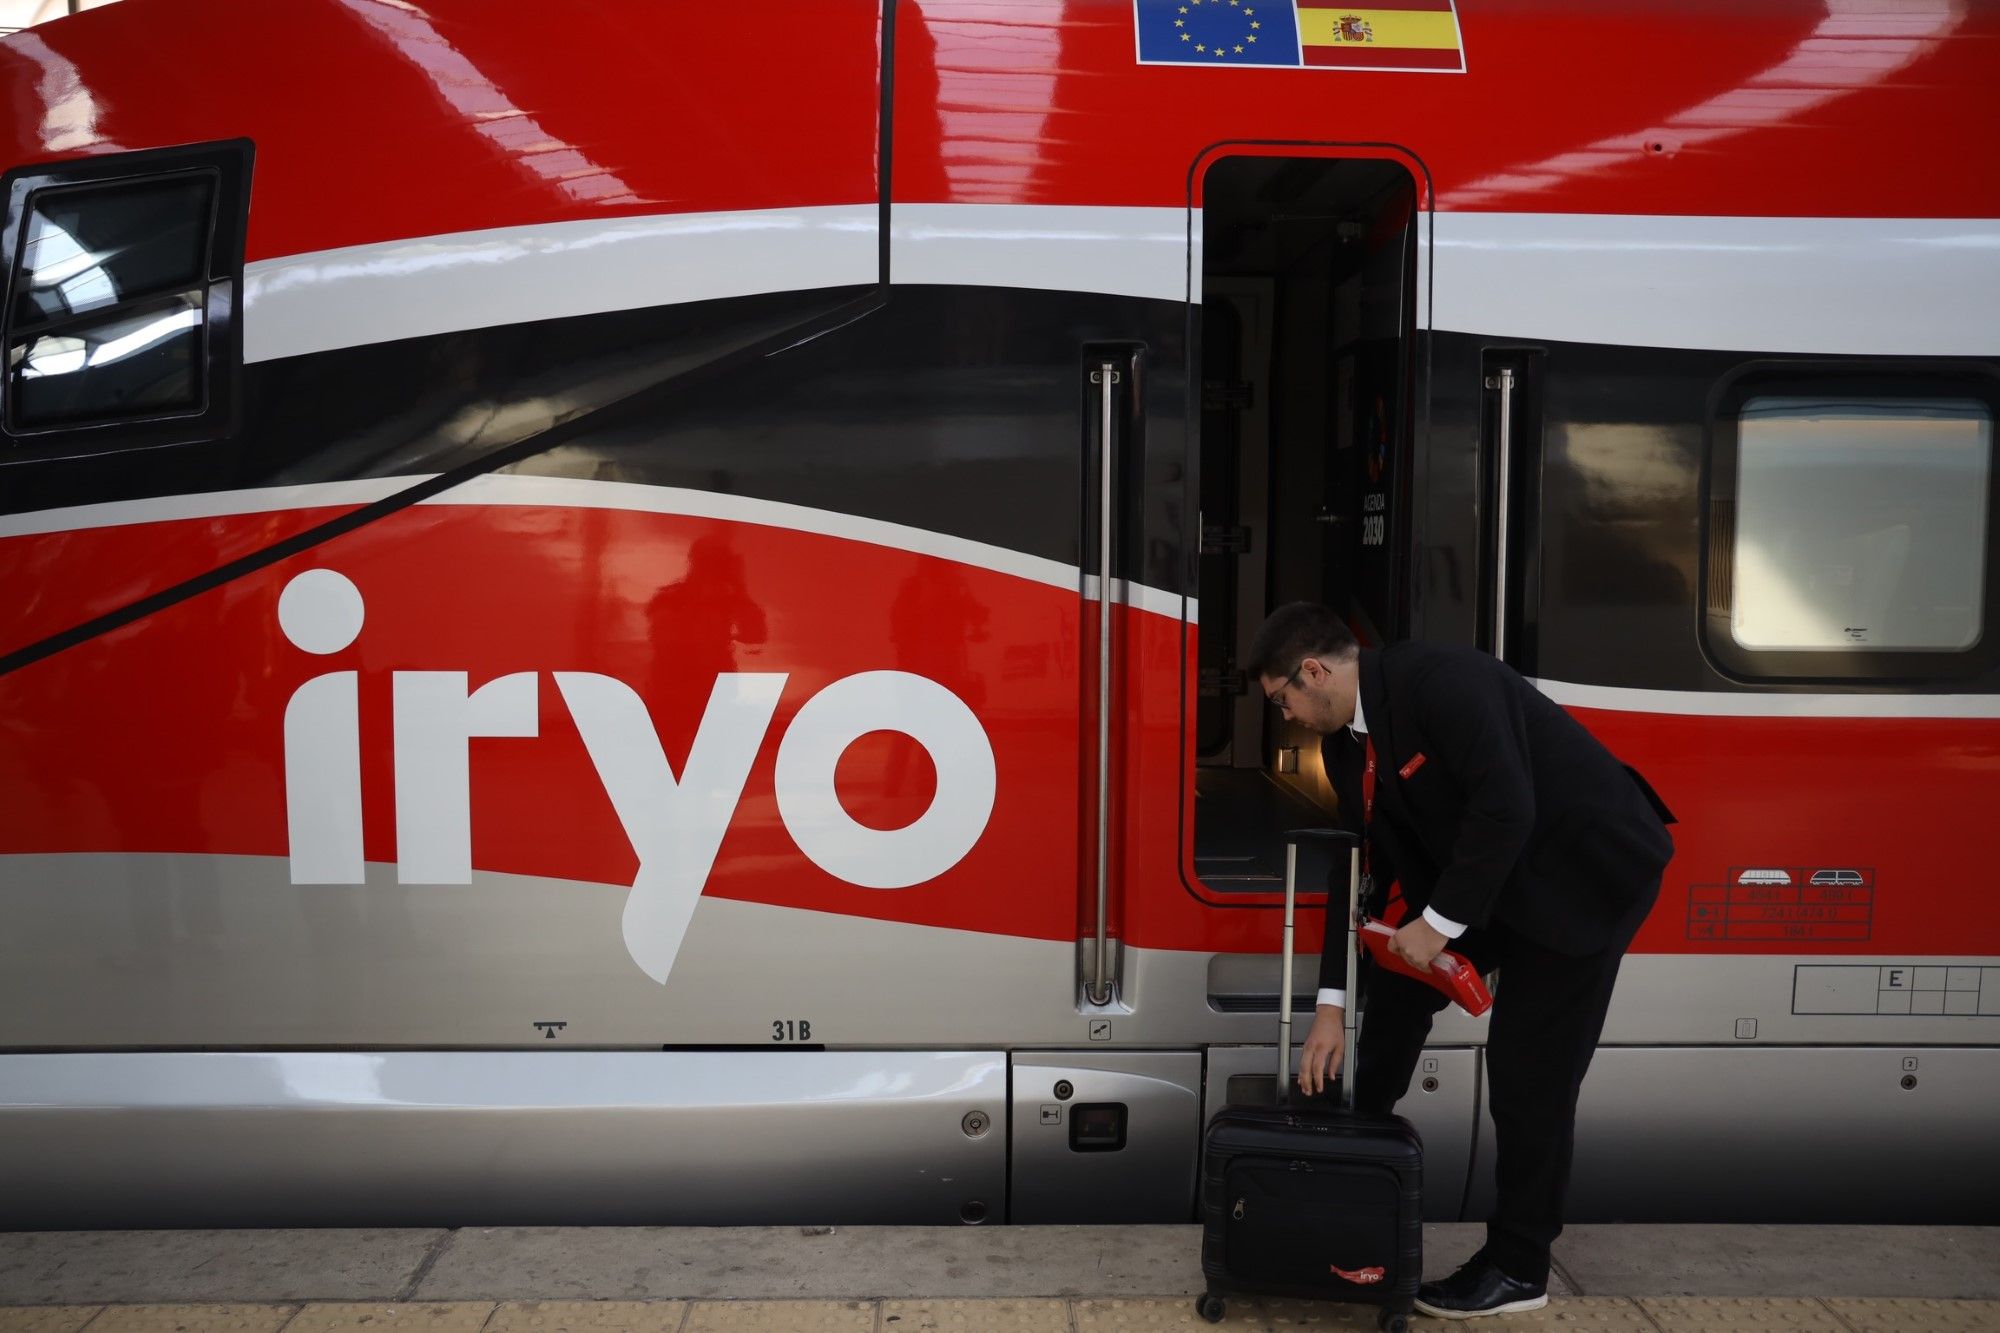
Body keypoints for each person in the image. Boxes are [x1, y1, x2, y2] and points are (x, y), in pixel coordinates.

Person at [1249, 602, 1675, 1320]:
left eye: (1282, 698)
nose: (1286, 716)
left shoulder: (1446, 683)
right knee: (1394, 989)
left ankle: (1519, 1266)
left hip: (1581, 874)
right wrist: (1329, 1004)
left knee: (1526, 1071)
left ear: (1313, 672)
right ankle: (1349, 1172)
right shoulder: (1346, 748)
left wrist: (1438, 925)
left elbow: (1507, 807)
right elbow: (1354, 867)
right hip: (1494, 880)